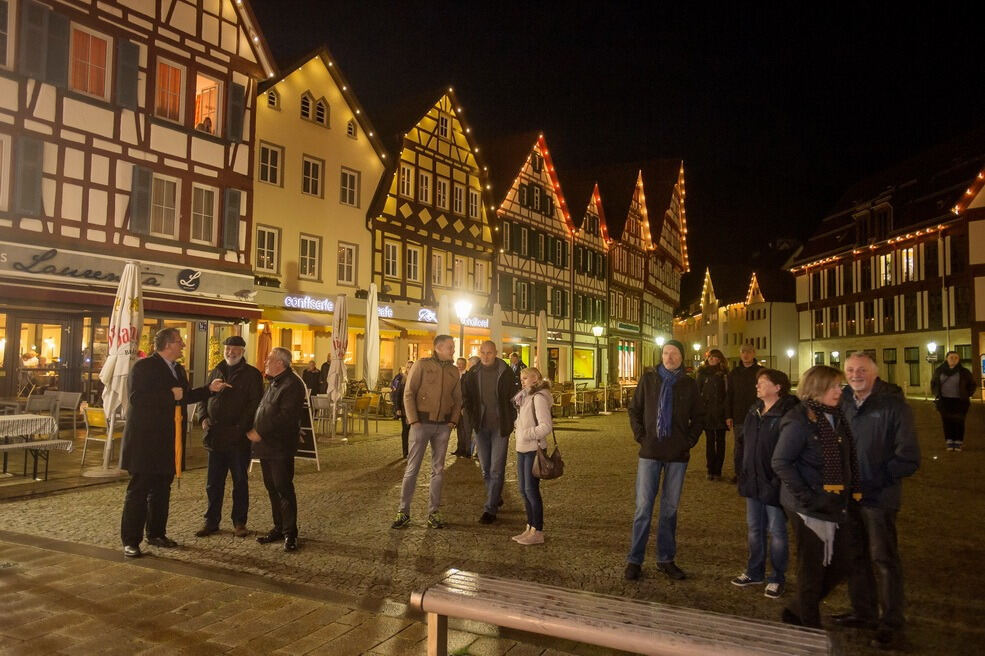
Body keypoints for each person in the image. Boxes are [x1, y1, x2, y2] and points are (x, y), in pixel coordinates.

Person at [120, 328, 228, 558]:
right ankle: (131, 540)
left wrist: (209, 390)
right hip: (145, 440)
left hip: (169, 440)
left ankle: (157, 533)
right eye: (180, 342)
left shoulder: (178, 369)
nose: (183, 346)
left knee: (162, 489)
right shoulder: (143, 367)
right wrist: (171, 395)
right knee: (139, 491)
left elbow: (184, 396)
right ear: (168, 345)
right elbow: (136, 399)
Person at [837, 352, 920, 650]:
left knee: (884, 559)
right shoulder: (843, 402)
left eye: (861, 369)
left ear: (875, 374)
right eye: (850, 369)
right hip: (847, 497)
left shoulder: (892, 405)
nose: (855, 374)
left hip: (879, 497)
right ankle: (864, 611)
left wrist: (875, 479)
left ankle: (891, 621)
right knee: (855, 556)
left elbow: (908, 457)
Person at [772, 365, 862, 629]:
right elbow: (780, 462)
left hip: (834, 502)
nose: (840, 390)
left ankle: (799, 608)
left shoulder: (836, 416)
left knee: (842, 561)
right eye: (835, 386)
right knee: (812, 568)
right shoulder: (798, 420)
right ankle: (809, 628)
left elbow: (846, 456)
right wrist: (808, 497)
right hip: (806, 506)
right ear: (817, 388)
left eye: (840, 385)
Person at [625, 339, 704, 581]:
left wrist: (688, 441)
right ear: (662, 356)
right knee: (643, 509)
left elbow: (699, 417)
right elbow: (634, 409)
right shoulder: (649, 380)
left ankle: (665, 558)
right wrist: (641, 436)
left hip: (677, 455)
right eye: (666, 353)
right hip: (650, 453)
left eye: (674, 353)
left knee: (669, 510)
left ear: (682, 357)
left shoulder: (689, 384)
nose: (669, 357)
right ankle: (635, 560)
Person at [732, 369, 797, 599]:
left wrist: (779, 480)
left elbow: (791, 451)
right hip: (753, 480)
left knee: (777, 531)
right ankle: (754, 571)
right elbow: (742, 443)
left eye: (763, 382)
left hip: (775, 483)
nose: (757, 386)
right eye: (757, 382)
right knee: (755, 529)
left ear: (778, 387)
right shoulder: (754, 410)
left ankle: (777, 577)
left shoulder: (788, 413)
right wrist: (741, 470)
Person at [193, 336, 264, 538]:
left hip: (238, 438)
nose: (230, 352)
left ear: (242, 351)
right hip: (215, 435)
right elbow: (203, 397)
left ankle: (239, 522)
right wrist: (203, 416)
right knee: (213, 482)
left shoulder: (251, 374)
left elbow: (255, 404)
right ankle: (211, 521)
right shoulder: (215, 370)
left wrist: (241, 428)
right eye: (227, 348)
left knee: (240, 481)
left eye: (234, 349)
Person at [391, 335, 462, 529]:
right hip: (421, 423)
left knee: (438, 470)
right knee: (412, 469)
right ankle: (403, 511)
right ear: (438, 347)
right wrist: (413, 420)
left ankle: (434, 511)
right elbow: (409, 393)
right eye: (450, 347)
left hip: (443, 426)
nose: (453, 350)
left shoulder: (454, 371)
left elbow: (458, 398)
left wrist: (453, 420)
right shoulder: (422, 365)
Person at [248, 347, 306, 552]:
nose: (265, 361)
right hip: (266, 447)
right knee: (272, 488)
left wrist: (259, 431)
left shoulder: (292, 384)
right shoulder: (274, 382)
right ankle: (278, 527)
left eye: (269, 359)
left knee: (283, 489)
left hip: (280, 447)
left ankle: (291, 533)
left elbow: (285, 417)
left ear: (280, 363)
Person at [461, 340, 520, 524]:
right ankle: (495, 495)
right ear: (480, 353)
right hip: (481, 427)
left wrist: (510, 419)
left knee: (496, 468)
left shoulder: (506, 372)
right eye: (483, 352)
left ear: (496, 353)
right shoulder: (473, 373)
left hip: (500, 427)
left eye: (490, 353)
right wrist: (471, 418)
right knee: (486, 469)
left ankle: (490, 509)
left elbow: (514, 397)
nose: (486, 356)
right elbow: (467, 398)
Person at [511, 366, 552, 545]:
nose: (523, 380)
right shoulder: (524, 397)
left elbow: (545, 426)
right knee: (523, 490)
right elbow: (523, 421)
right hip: (522, 448)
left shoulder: (538, 398)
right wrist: (517, 427)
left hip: (533, 449)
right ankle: (530, 527)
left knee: (531, 490)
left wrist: (524, 433)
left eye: (526, 377)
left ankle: (538, 530)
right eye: (522, 377)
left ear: (536, 379)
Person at [727, 344, 763, 483]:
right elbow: (729, 394)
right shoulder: (734, 373)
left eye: (748, 352)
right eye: (743, 352)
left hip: (758, 415)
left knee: (756, 446)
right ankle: (739, 473)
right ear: (740, 354)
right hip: (739, 415)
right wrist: (728, 415)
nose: (746, 355)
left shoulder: (761, 372)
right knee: (739, 447)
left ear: (754, 353)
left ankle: (754, 473)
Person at [930, 350, 977, 451]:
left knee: (959, 422)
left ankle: (958, 442)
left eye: (956, 358)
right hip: (945, 401)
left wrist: (967, 394)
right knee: (947, 422)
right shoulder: (939, 370)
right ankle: (949, 442)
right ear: (946, 359)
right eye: (951, 357)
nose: (953, 359)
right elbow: (933, 383)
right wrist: (936, 393)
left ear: (959, 360)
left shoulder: (964, 371)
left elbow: (972, 384)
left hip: (960, 401)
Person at [697, 349, 729, 481]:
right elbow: (697, 393)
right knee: (710, 442)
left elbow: (728, 394)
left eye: (715, 357)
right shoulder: (702, 374)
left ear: (720, 359)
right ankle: (710, 469)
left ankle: (718, 470)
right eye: (710, 357)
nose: (712, 359)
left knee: (721, 442)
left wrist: (727, 413)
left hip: (721, 412)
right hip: (708, 412)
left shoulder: (725, 375)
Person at [391, 360, 414, 458]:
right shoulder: (402, 379)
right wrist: (398, 408)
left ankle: (413, 451)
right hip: (405, 409)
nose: (410, 369)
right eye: (408, 367)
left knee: (415, 432)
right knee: (405, 430)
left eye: (411, 367)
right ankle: (405, 452)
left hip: (415, 409)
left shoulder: (418, 378)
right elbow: (397, 395)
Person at [453, 357, 473, 456]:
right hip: (456, 406)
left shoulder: (468, 375)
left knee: (466, 429)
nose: (459, 365)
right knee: (459, 428)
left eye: (461, 364)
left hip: (465, 406)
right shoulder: (455, 375)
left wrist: (464, 406)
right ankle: (459, 449)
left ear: (465, 365)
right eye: (458, 363)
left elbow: (469, 393)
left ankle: (467, 450)